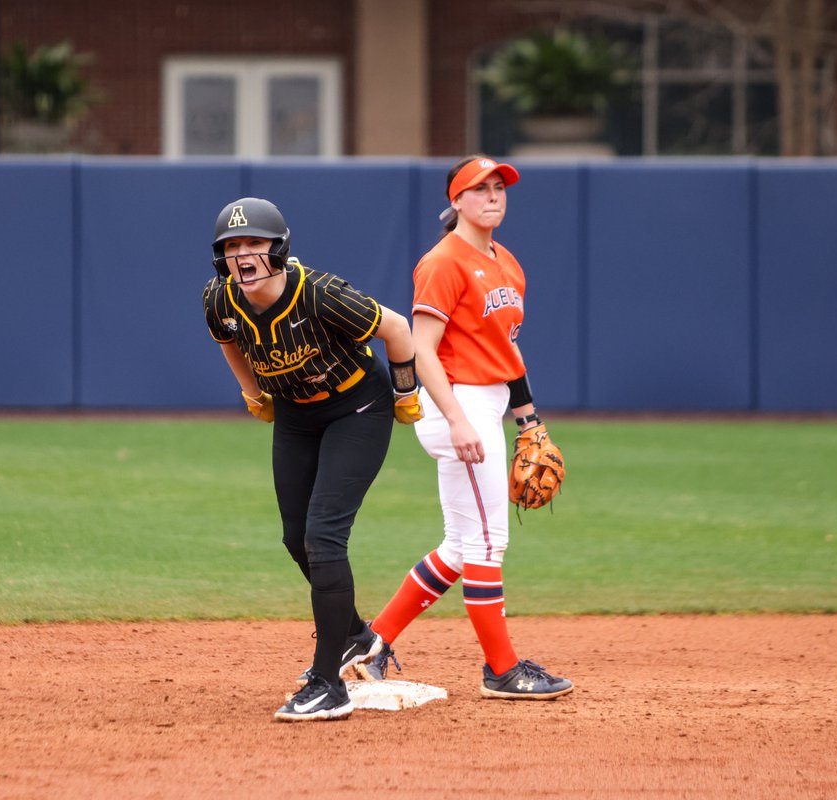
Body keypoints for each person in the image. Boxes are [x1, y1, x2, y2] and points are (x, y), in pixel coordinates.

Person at [357, 156, 573, 700]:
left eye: (500, 187)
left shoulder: (508, 262)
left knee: (460, 544)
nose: (493, 196)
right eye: (480, 189)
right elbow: (420, 348)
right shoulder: (444, 261)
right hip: (457, 405)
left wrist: (529, 418)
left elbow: (508, 349)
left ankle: (370, 646)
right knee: (487, 541)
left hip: (488, 403)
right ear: (457, 201)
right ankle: (502, 670)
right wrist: (455, 418)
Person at [201, 197, 423, 721]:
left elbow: (396, 330)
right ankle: (357, 637)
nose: (244, 255)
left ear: (278, 249)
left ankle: (328, 684)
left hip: (358, 407)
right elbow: (228, 341)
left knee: (324, 537)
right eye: (232, 247)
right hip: (297, 414)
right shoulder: (220, 299)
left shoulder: (320, 294)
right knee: (295, 537)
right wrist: (252, 393)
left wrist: (407, 391)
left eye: (255, 243)